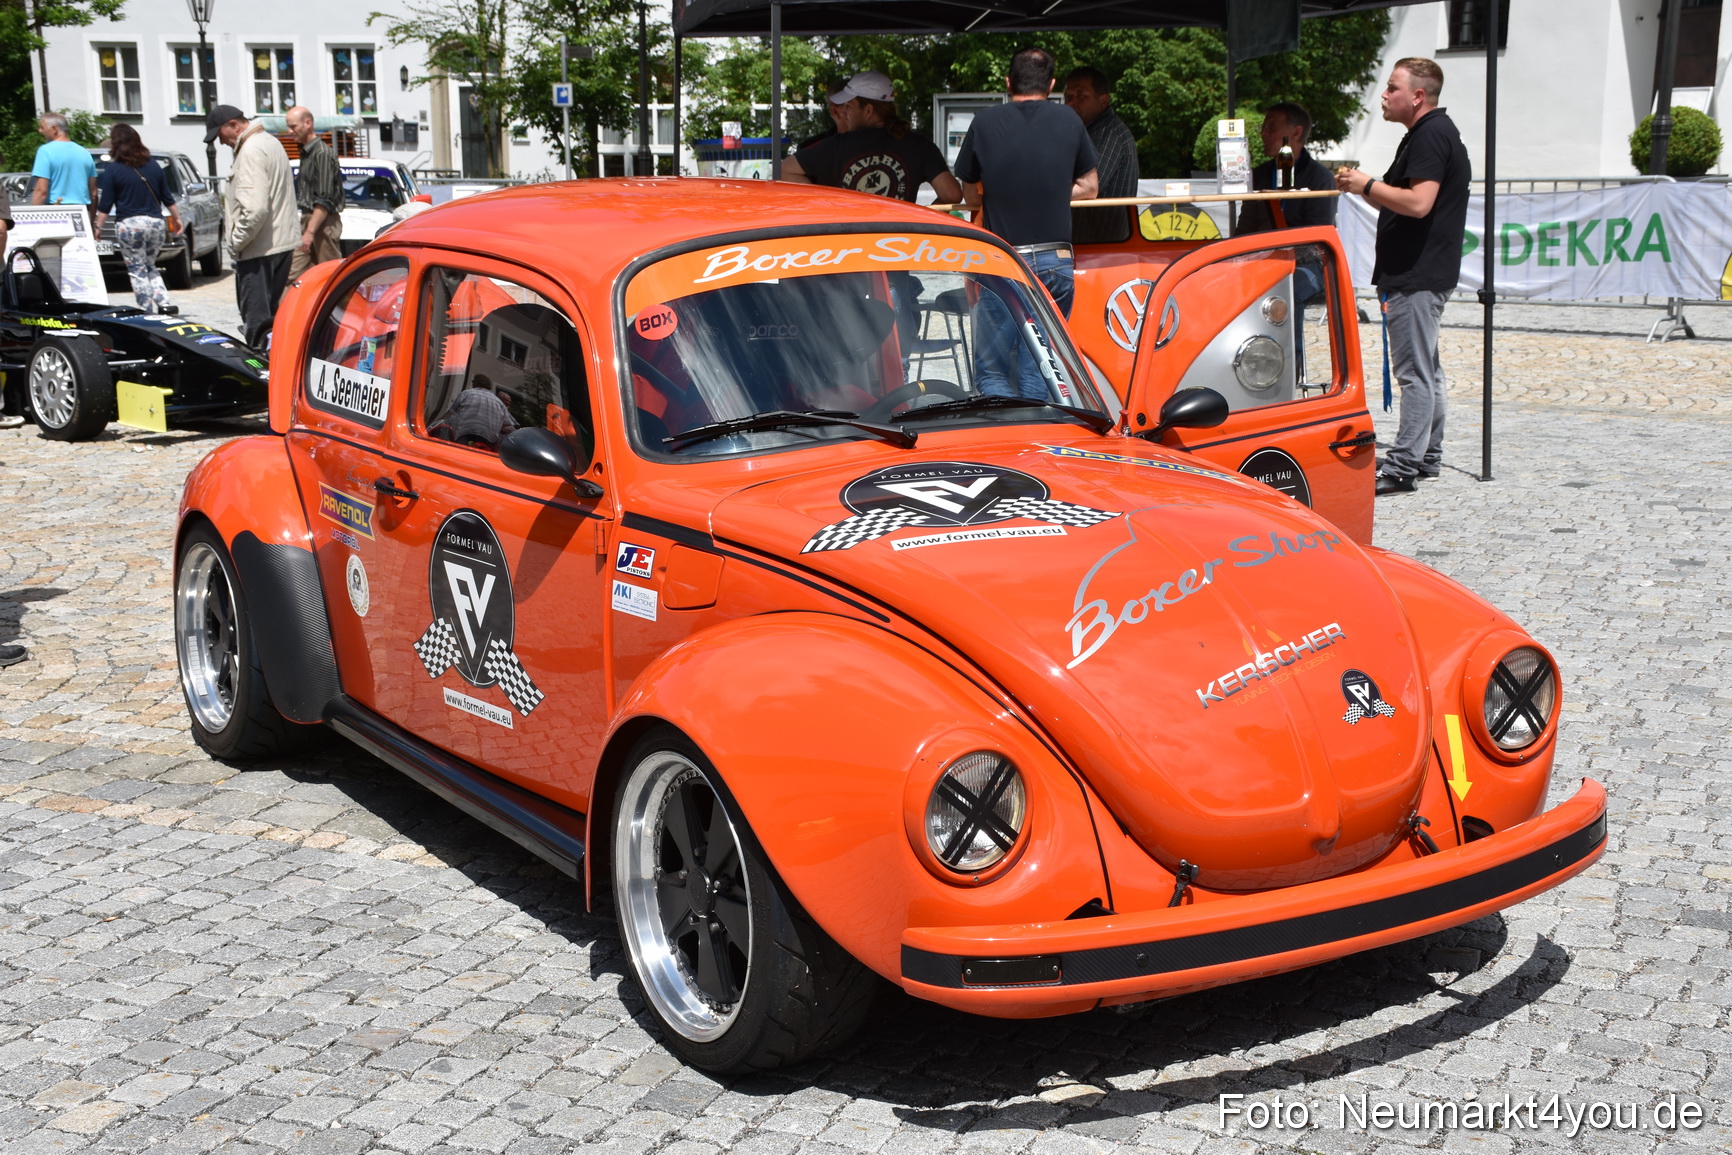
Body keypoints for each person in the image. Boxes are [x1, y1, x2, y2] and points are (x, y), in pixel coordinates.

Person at [1336, 58, 1470, 496]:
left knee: (1414, 374)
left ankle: (1403, 466)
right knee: (1427, 369)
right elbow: (1401, 200)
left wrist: (1366, 184)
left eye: (1392, 87)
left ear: (1417, 96)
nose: (1385, 95)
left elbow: (1418, 203)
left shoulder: (1431, 134)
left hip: (1417, 272)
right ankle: (1427, 454)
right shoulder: (1428, 133)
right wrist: (1366, 188)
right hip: (1420, 270)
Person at [954, 48, 1099, 318]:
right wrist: (1051, 192)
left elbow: (971, 196)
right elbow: (1090, 188)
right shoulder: (1070, 119)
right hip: (1055, 258)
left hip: (1001, 256)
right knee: (1047, 344)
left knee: (995, 346)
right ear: (1051, 85)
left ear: (1009, 82)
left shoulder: (984, 122)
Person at [784, 72, 963, 205]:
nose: (844, 113)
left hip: (848, 241)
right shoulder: (920, 145)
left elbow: (785, 169)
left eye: (849, 107)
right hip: (899, 241)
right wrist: (920, 218)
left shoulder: (836, 146)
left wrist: (828, 203)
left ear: (868, 110)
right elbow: (952, 194)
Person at [208, 104, 298, 350]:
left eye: (220, 134)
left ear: (234, 125)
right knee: (272, 321)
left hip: (258, 248)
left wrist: (236, 242)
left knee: (257, 326)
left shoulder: (250, 150)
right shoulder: (271, 142)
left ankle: (261, 368)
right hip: (278, 242)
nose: (221, 142)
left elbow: (255, 209)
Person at [93, 124, 182, 314]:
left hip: (130, 224)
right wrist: (177, 218)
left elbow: (106, 203)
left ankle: (145, 309)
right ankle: (164, 303)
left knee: (136, 268)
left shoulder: (113, 169)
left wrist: (98, 226)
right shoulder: (154, 166)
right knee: (151, 264)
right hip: (155, 223)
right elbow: (167, 197)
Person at [1062, 66, 1138, 244]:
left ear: (1103, 101)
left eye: (1082, 96)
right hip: (1092, 244)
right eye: (1068, 97)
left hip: (1103, 245)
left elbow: (1088, 187)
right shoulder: (1086, 132)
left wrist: (1043, 192)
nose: (1072, 103)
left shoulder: (1110, 133)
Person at [1237, 102, 1337, 235]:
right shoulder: (1259, 174)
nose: (1263, 133)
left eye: (1272, 127)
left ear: (1296, 132)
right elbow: (1244, 230)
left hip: (1299, 248)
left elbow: (1319, 237)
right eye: (1263, 127)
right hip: (1261, 247)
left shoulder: (1320, 178)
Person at [285, 106, 344, 282]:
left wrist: (310, 232)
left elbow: (325, 198)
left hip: (323, 223)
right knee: (293, 277)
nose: (290, 131)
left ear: (308, 123)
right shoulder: (307, 152)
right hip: (309, 220)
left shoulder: (322, 153)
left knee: (330, 279)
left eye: (293, 126)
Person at [29, 113, 97, 211]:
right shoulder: (85, 152)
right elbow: (93, 193)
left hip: (57, 210)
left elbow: (41, 191)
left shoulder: (45, 151)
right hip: (82, 211)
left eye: (42, 127)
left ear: (54, 129)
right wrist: (92, 218)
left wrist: (34, 215)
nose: (40, 131)